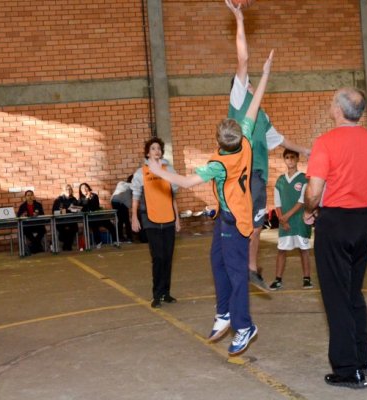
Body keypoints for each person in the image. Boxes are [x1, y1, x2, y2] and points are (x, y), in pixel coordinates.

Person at [147, 49, 275, 356]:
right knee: (216, 262)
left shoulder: (220, 163)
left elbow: (188, 181)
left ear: (219, 141)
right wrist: (266, 72)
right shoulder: (243, 140)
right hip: (227, 216)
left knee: (236, 272)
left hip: (236, 221)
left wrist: (157, 170)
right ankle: (224, 313)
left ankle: (244, 326)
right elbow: (255, 105)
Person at [303, 88, 367, 389]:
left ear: (339, 110)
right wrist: (359, 184)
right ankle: (364, 358)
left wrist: (309, 210)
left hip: (335, 222)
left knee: (336, 297)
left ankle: (347, 369)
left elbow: (314, 190)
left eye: (332, 101)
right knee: (354, 292)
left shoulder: (325, 143)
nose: (330, 104)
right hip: (363, 222)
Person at [226, 0, 310, 292]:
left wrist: (307, 151)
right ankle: (235, 264)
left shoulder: (263, 116)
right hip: (240, 173)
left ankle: (250, 269)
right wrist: (239, 19)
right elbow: (243, 60)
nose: (249, 82)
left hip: (258, 175)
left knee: (257, 225)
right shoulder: (239, 100)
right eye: (247, 81)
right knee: (241, 224)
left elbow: (283, 141)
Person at [130, 138, 181, 308]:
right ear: (147, 153)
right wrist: (134, 217)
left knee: (167, 257)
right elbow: (135, 197)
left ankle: (166, 292)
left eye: (159, 148)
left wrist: (177, 219)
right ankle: (157, 294)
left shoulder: (169, 170)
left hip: (168, 219)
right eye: (153, 148)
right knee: (158, 257)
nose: (156, 151)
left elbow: (172, 196)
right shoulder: (141, 173)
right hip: (150, 219)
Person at [269, 149, 313, 291]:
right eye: (287, 157)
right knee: (281, 250)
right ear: (284, 160)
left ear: (297, 159)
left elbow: (301, 201)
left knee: (303, 250)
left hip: (299, 220)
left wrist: (286, 217)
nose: (290, 160)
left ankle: (307, 278)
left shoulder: (303, 178)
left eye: (292, 157)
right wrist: (282, 219)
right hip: (284, 222)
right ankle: (278, 279)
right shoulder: (280, 180)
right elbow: (277, 202)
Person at [79, 182, 117, 247]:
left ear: (88, 188)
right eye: (83, 188)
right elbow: (83, 208)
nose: (85, 189)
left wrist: (89, 198)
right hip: (89, 218)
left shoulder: (94, 196)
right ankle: (98, 242)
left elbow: (95, 206)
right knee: (94, 226)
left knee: (110, 225)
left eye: (86, 187)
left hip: (98, 216)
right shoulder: (80, 199)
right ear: (80, 191)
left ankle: (115, 241)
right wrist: (87, 198)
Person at [52, 184, 80, 251]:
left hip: (72, 221)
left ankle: (66, 247)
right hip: (61, 222)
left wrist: (65, 210)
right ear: (63, 191)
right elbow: (55, 212)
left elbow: (78, 210)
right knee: (64, 230)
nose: (69, 190)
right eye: (67, 189)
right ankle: (67, 247)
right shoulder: (58, 200)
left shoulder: (74, 199)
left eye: (70, 189)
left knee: (72, 229)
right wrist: (69, 210)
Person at [111, 176, 134, 243]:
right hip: (118, 203)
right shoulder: (127, 185)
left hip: (117, 202)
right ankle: (127, 238)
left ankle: (123, 238)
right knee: (125, 220)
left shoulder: (122, 184)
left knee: (122, 220)